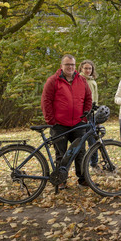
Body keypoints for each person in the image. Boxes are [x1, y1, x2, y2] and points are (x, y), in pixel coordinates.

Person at [41, 54, 93, 188]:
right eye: (67, 65)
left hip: (78, 123)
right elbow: (45, 101)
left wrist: (85, 116)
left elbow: (88, 98)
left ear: (76, 66)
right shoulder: (53, 81)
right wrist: (51, 120)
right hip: (59, 124)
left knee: (80, 152)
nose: (70, 67)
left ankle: (82, 179)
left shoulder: (81, 80)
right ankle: (61, 180)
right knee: (61, 153)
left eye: (72, 65)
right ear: (61, 66)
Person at [79, 60, 100, 170]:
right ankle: (83, 165)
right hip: (82, 114)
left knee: (93, 139)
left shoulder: (93, 81)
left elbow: (95, 98)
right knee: (82, 140)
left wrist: (95, 112)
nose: (87, 70)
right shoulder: (79, 80)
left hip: (92, 114)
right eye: (85, 68)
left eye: (89, 68)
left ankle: (94, 163)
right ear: (81, 69)